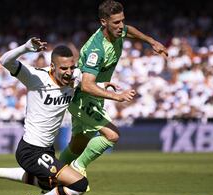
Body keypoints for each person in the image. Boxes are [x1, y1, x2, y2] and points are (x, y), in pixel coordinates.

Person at [0, 38, 89, 195]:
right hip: (30, 151)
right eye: (63, 68)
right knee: (79, 185)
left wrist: (107, 88)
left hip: (47, 149)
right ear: (53, 67)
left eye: (71, 67)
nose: (69, 72)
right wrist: (25, 48)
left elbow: (89, 83)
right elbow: (5, 61)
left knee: (50, 186)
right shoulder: (36, 77)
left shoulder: (73, 77)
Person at [59, 0, 168, 177]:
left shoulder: (118, 31)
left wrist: (151, 41)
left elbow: (129, 30)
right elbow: (86, 85)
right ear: (104, 22)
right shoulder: (97, 49)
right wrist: (116, 97)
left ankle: (48, 179)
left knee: (78, 144)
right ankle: (78, 168)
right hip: (81, 98)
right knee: (112, 135)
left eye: (122, 20)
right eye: (116, 22)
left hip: (91, 97)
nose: (121, 26)